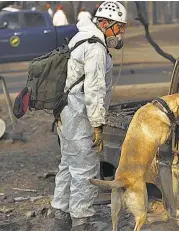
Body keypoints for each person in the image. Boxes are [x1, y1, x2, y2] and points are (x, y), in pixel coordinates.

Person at [51, 1, 127, 230]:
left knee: (68, 165)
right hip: (79, 115)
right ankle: (82, 222)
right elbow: (94, 89)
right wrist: (97, 124)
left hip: (67, 112)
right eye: (118, 27)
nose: (121, 32)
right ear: (104, 23)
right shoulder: (95, 48)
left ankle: (61, 217)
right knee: (85, 169)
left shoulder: (81, 37)